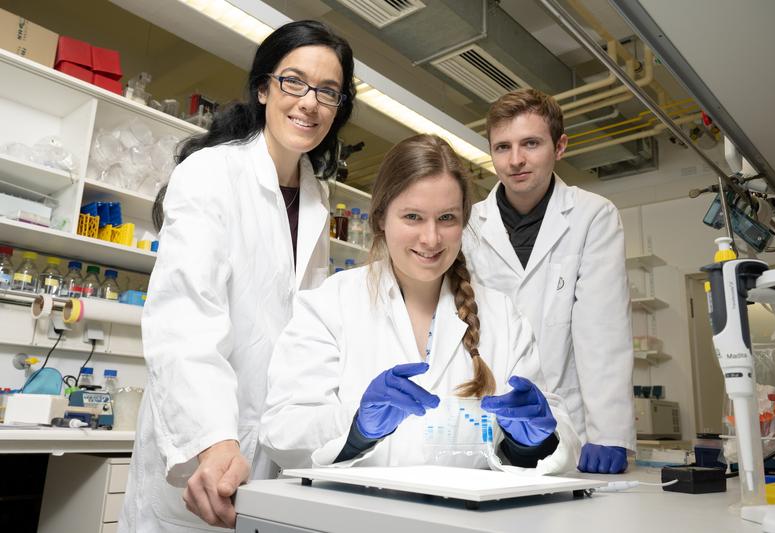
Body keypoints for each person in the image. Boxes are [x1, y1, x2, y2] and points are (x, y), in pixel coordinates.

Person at [119, 20, 356, 532]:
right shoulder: (211, 174)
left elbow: (305, 328)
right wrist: (213, 437)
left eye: (328, 92)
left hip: (273, 448)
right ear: (264, 88)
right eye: (293, 81)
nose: (309, 102)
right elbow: (184, 316)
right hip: (205, 448)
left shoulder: (317, 198)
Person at [261, 134, 580, 473]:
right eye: (413, 217)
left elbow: (559, 444)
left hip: (470, 522)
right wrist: (357, 427)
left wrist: (531, 443)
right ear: (382, 218)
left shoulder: (503, 316)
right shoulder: (330, 305)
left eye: (447, 218)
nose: (431, 239)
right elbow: (282, 432)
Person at [462, 88, 635, 474]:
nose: (516, 160)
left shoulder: (592, 216)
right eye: (502, 147)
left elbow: (602, 331)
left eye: (531, 143)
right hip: (485, 422)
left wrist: (609, 432)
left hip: (568, 424)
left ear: (559, 147)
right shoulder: (469, 224)